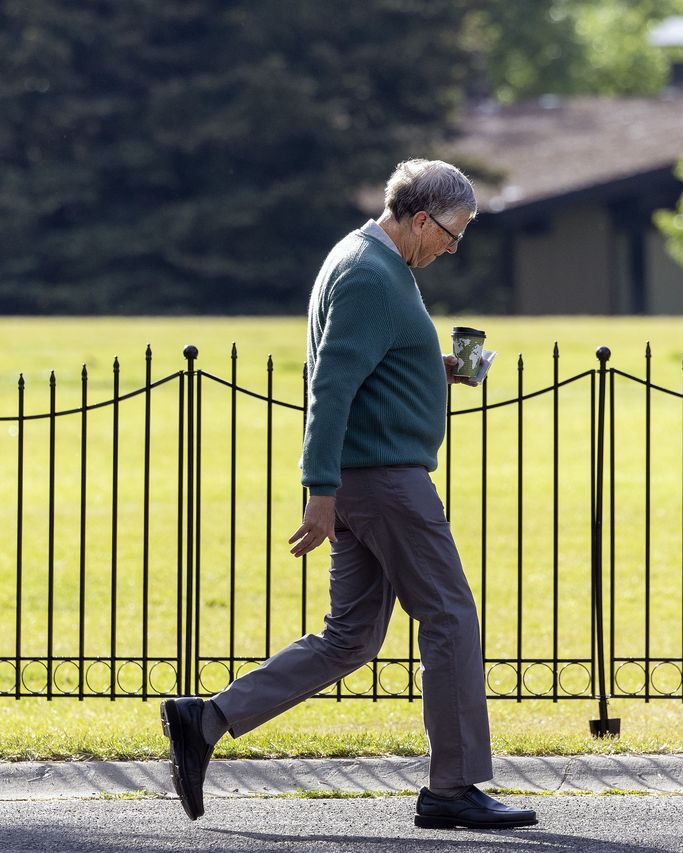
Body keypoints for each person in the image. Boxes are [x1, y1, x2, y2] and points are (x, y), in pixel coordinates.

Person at [161, 159, 537, 831]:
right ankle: (452, 786)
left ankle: (206, 718)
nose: (454, 247)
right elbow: (330, 384)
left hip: (368, 479)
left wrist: (442, 366)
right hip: (386, 481)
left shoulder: (368, 258)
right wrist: (319, 490)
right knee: (450, 616)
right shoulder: (370, 274)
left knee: (351, 637)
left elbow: (369, 363)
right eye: (453, 232)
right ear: (421, 218)